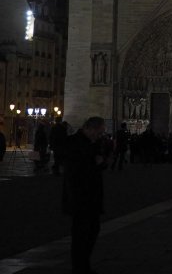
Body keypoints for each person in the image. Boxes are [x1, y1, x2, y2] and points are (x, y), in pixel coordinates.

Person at [62, 116, 108, 274]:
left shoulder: (92, 143)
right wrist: (95, 163)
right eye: (99, 132)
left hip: (91, 196)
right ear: (90, 128)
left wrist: (99, 162)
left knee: (92, 230)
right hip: (80, 196)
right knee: (81, 233)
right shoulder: (74, 142)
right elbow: (75, 170)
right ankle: (79, 267)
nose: (100, 136)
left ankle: (83, 265)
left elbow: (101, 161)